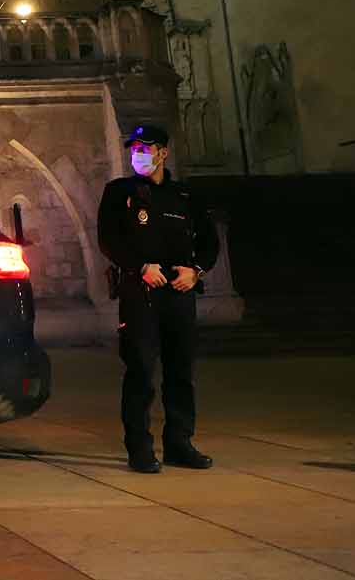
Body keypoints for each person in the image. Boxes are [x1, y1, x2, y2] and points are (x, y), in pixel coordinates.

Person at [97, 123, 220, 473]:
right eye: (134, 148)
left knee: (181, 372)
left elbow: (209, 242)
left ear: (163, 152)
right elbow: (109, 240)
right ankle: (140, 449)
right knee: (140, 372)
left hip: (179, 295)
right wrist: (138, 267)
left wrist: (196, 270)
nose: (138, 154)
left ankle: (180, 443)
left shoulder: (184, 196)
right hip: (141, 295)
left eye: (145, 147)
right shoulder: (119, 192)